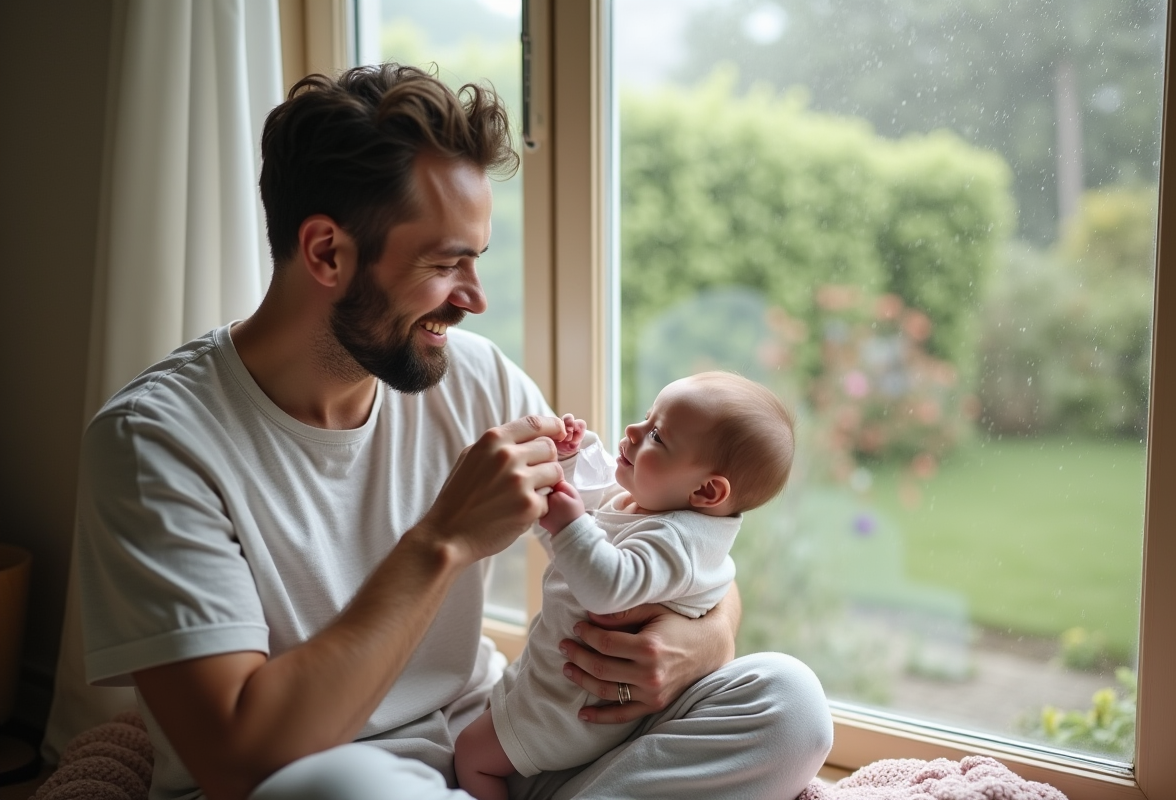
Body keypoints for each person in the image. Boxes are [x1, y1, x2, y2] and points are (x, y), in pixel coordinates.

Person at [74, 63, 833, 800]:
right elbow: (236, 763)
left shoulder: (475, 376)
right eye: (446, 264)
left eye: (477, 261)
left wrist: (708, 636)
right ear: (327, 252)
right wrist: (442, 541)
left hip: (495, 745)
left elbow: (662, 526)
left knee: (790, 706)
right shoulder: (156, 444)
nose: (474, 298)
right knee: (329, 788)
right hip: (332, 772)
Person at [455, 372, 803, 800]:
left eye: (657, 435)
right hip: (555, 686)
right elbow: (592, 517)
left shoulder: (677, 542)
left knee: (470, 755)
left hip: (566, 709)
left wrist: (569, 524)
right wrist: (568, 461)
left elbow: (607, 587)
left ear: (707, 490)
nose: (634, 430)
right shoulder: (654, 506)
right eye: (647, 417)